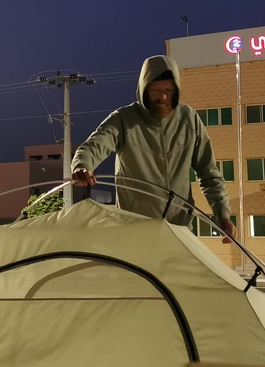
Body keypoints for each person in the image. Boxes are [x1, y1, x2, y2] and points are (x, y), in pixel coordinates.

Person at [71, 54, 236, 238]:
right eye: (156, 90)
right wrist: (82, 166)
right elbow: (94, 146)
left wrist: (222, 214)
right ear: (144, 89)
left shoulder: (188, 118)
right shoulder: (124, 120)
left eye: (169, 90)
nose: (163, 96)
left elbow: (209, 174)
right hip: (135, 231)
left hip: (179, 230)